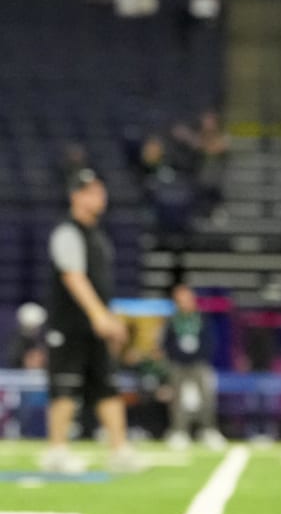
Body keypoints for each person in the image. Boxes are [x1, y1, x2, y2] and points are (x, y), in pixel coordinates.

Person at [41, 169, 142, 474]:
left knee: (107, 385)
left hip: (95, 328)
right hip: (69, 326)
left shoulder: (98, 236)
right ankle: (57, 451)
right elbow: (73, 277)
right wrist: (99, 315)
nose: (99, 197)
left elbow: (101, 284)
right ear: (76, 196)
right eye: (91, 192)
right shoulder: (67, 232)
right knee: (65, 387)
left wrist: (109, 318)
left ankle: (119, 449)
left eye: (100, 191)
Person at [162, 283, 225, 450]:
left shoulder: (202, 318)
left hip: (199, 363)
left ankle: (209, 430)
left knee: (207, 396)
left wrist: (201, 357)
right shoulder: (172, 320)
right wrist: (175, 357)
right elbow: (167, 343)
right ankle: (179, 431)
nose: (183, 303)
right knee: (177, 399)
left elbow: (209, 340)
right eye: (179, 300)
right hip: (178, 364)